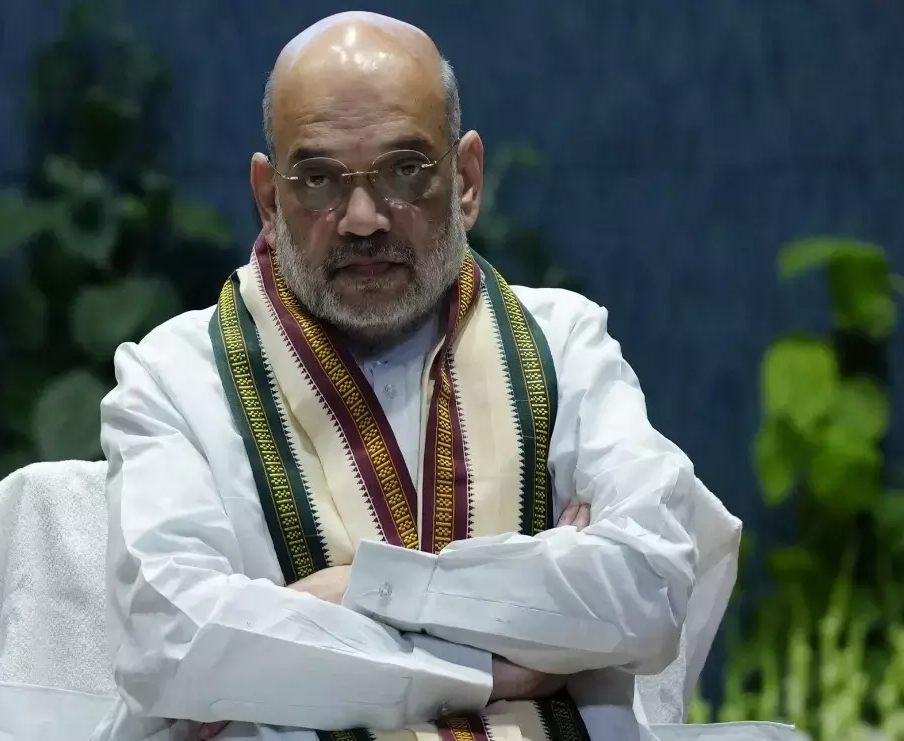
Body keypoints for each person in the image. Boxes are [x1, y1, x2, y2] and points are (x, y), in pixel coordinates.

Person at [92, 10, 742, 741]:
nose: (363, 218)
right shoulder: (175, 379)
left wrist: (356, 594)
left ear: (465, 180)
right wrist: (495, 664)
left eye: (405, 170)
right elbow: (178, 646)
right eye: (319, 179)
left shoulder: (563, 343)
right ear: (269, 198)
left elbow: (650, 583)